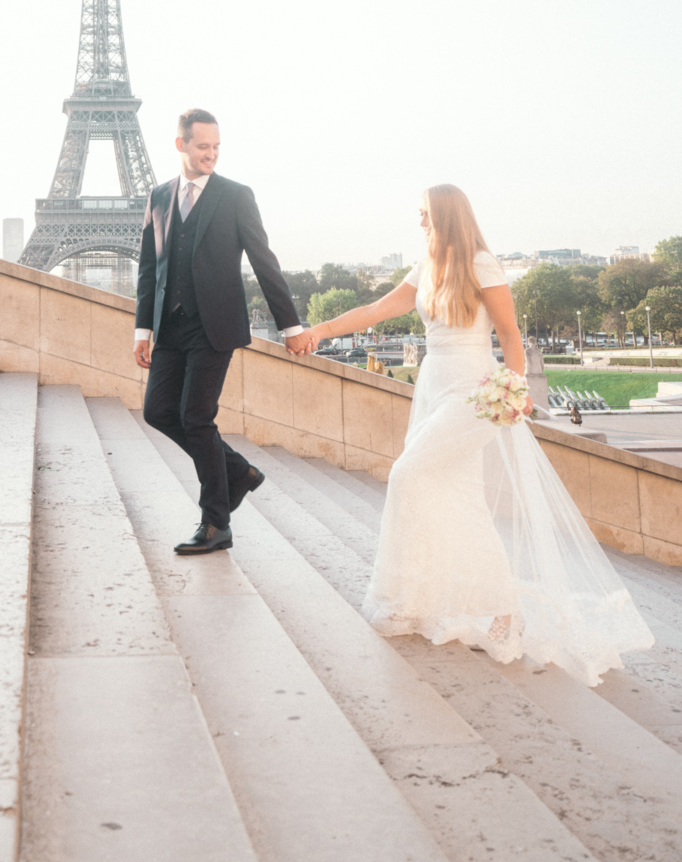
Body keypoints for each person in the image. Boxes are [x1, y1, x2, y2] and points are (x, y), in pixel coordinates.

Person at [301, 184, 653, 686]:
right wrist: (320, 330)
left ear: (446, 215)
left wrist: (512, 389)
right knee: (457, 495)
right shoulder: (425, 266)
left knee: (407, 475)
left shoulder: (484, 265)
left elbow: (509, 334)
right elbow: (378, 311)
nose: (419, 222)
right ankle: (468, 604)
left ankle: (448, 601)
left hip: (474, 390)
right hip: (434, 385)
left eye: (425, 214)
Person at [134, 108, 309, 555]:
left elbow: (263, 261)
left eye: (216, 147)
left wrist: (290, 325)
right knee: (157, 411)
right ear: (181, 145)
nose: (210, 154)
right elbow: (150, 268)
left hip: (215, 327)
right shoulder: (157, 197)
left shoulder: (235, 196)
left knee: (196, 418)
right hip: (170, 327)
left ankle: (216, 522)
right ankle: (237, 473)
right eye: (201, 146)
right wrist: (142, 329)